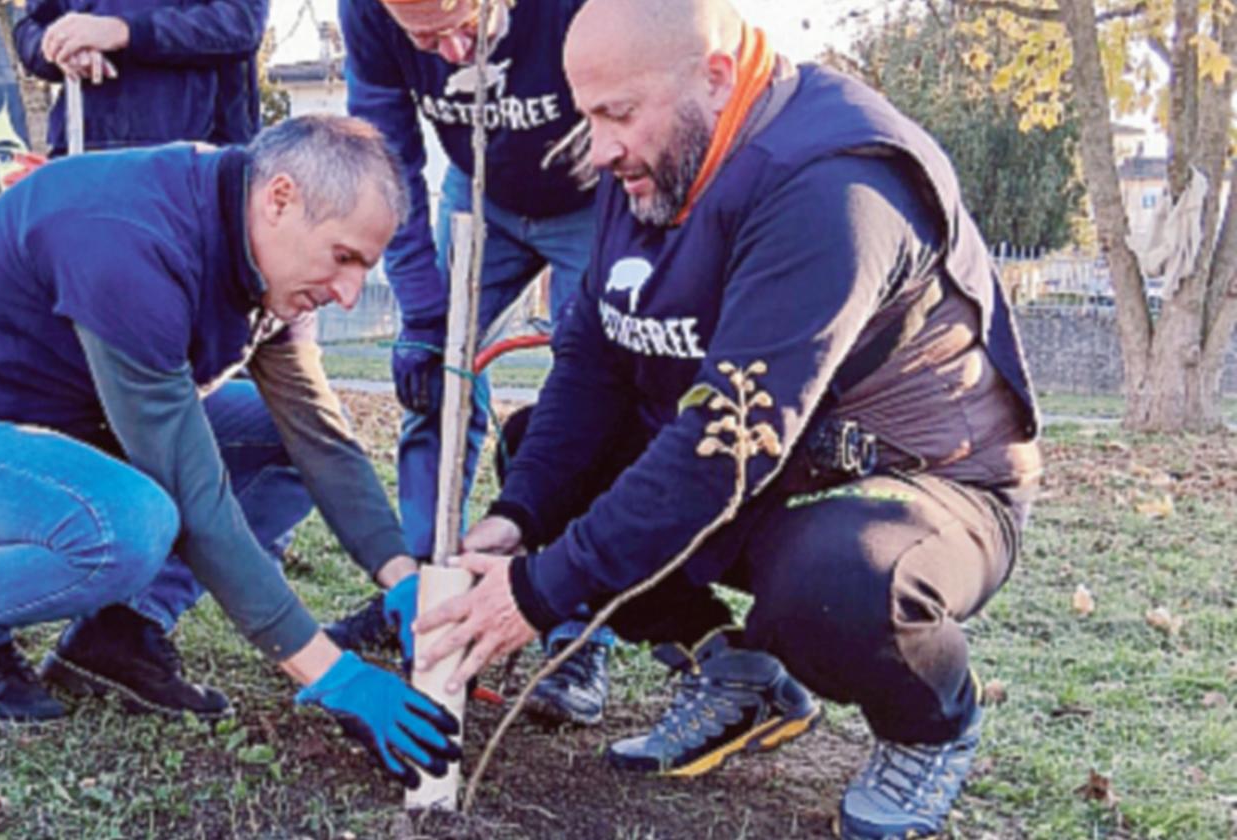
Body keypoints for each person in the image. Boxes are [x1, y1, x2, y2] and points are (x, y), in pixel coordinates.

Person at [412, 0, 1042, 836]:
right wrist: (516, 517)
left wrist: (533, 595)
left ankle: (933, 725)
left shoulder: (834, 187)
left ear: (714, 76)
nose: (598, 149)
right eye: (588, 115)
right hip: (776, 469)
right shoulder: (650, 154)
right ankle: (736, 673)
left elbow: (725, 443)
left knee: (832, 582)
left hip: (919, 485)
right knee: (548, 463)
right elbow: (596, 358)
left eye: (618, 115)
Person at [0, 114, 459, 789]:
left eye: (365, 266)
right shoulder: (132, 242)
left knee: (280, 442)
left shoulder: (261, 252)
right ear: (281, 199)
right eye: (343, 257)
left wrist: (400, 575)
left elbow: (316, 434)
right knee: (127, 524)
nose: (349, 292)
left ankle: (117, 635)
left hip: (73, 435)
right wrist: (334, 674)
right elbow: (195, 496)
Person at [330, 0, 614, 727]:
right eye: (426, 39)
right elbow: (388, 158)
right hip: (479, 196)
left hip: (596, 202)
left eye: (465, 24)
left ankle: (575, 622)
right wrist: (426, 314)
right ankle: (428, 585)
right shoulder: (367, 12)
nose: (453, 53)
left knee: (600, 397)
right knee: (435, 382)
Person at [13, 0, 266, 155]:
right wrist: (60, 47)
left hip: (197, 157)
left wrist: (125, 31)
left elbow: (241, 23)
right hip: (86, 150)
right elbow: (31, 27)